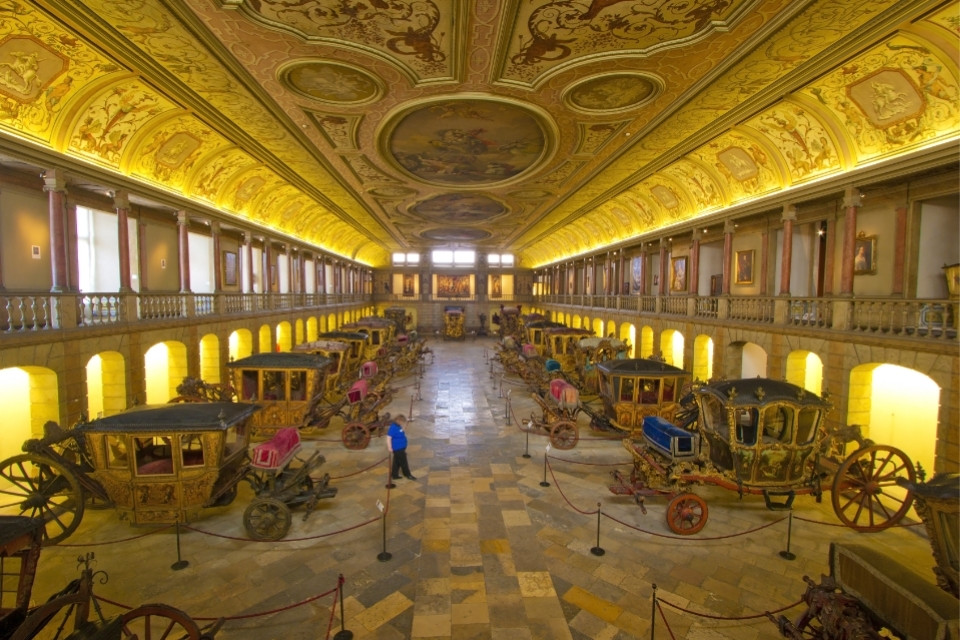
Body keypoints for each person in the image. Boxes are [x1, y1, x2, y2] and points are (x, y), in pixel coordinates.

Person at [386, 414, 416, 480]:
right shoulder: (393, 427)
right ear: (399, 421)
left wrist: (403, 429)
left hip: (401, 447)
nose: (403, 423)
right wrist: (389, 447)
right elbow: (389, 438)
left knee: (396, 462)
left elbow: (400, 432)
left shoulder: (398, 426)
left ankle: (394, 475)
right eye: (402, 422)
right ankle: (408, 474)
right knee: (404, 462)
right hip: (398, 448)